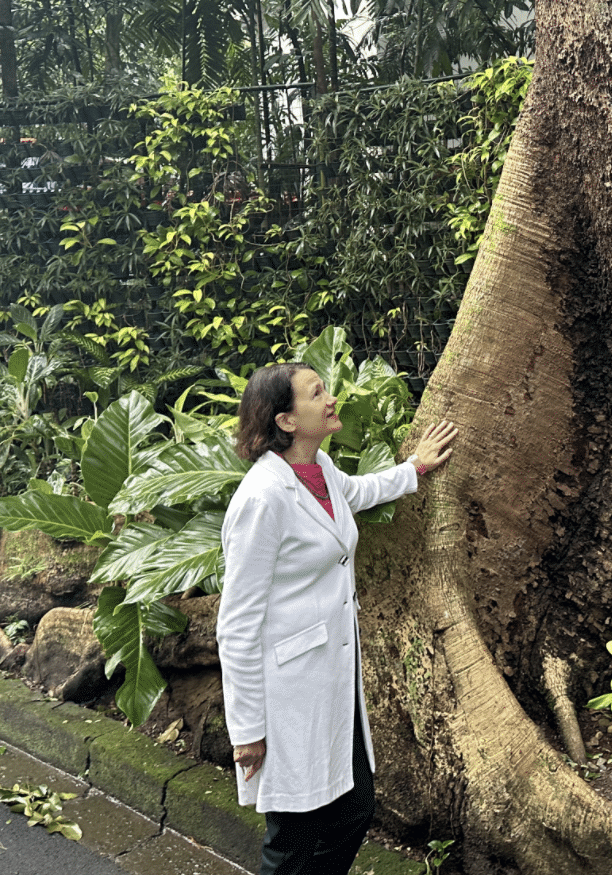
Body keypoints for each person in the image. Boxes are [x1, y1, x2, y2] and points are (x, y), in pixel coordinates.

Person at [217, 362, 458, 875]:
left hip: (332, 679)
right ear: (285, 420)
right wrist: (247, 729)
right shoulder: (261, 499)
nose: (330, 398)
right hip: (289, 693)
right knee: (294, 837)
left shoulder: (319, 471)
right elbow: (236, 624)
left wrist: (414, 469)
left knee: (352, 810)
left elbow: (356, 493)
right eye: (316, 392)